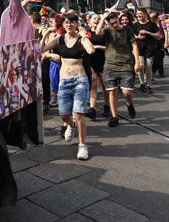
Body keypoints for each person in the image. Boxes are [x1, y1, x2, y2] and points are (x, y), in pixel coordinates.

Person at [41, 13, 95, 160]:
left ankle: (82, 146)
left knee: (78, 114)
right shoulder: (60, 39)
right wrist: (46, 33)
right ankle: (71, 125)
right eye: (66, 22)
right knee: (64, 115)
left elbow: (91, 50)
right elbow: (41, 49)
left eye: (72, 22)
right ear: (63, 25)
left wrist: (84, 36)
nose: (69, 24)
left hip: (80, 80)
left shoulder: (81, 39)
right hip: (64, 81)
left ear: (77, 24)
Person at [96, 12, 140, 127]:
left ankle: (129, 104)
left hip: (126, 64)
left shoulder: (127, 30)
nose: (114, 25)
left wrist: (137, 62)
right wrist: (103, 18)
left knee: (127, 92)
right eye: (112, 23)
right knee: (112, 91)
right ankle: (114, 116)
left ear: (118, 18)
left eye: (115, 22)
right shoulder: (108, 30)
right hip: (110, 65)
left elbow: (134, 45)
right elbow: (97, 32)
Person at [85, 13, 108, 120]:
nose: (96, 20)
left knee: (104, 85)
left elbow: (109, 47)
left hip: (103, 61)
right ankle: (92, 108)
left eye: (99, 19)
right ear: (89, 21)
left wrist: (98, 47)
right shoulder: (87, 34)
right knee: (93, 85)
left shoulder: (104, 33)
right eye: (94, 18)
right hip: (91, 61)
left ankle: (107, 106)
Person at [134, 7, 159, 94]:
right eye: (137, 14)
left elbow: (158, 35)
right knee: (141, 67)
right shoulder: (136, 25)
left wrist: (148, 32)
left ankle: (148, 85)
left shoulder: (152, 24)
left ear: (145, 14)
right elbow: (132, 35)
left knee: (148, 68)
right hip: (139, 48)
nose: (139, 15)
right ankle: (142, 84)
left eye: (140, 14)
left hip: (150, 48)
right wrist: (138, 37)